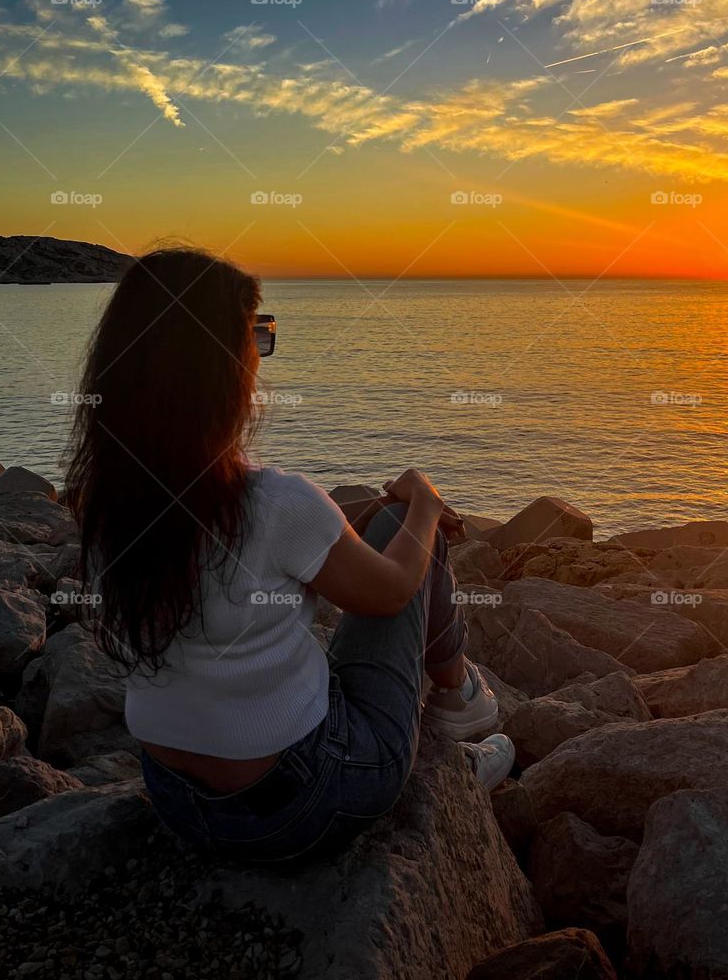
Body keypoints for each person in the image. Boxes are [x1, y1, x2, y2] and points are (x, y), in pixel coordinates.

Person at [66, 246, 514, 866]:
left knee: (373, 537)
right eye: (254, 335)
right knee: (410, 536)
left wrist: (360, 518)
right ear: (220, 368)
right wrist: (426, 504)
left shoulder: (104, 504)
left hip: (179, 801)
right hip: (303, 803)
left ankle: (455, 705)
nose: (260, 353)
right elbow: (390, 590)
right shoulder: (273, 501)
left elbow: (247, 549)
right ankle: (456, 714)